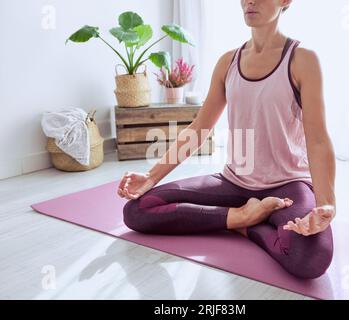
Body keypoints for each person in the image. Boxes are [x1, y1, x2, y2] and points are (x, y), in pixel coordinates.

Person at [118, 0, 336, 279]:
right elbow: (200, 128)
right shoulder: (228, 62)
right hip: (234, 182)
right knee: (138, 210)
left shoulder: (303, 59)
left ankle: (251, 224)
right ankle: (242, 218)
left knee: (311, 257)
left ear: (285, 1)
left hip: (288, 187)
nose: (249, 1)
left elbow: (317, 140)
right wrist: (150, 177)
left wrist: (326, 203)